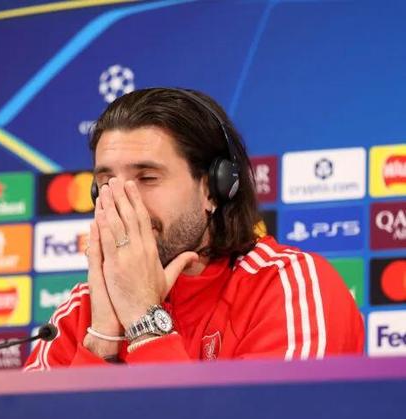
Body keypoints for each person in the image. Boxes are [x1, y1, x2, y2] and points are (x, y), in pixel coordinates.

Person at [25, 88, 364, 370]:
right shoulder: (81, 308)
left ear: (213, 189)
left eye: (147, 178)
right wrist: (102, 341)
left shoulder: (289, 287)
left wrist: (144, 322)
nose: (123, 201)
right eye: (106, 182)